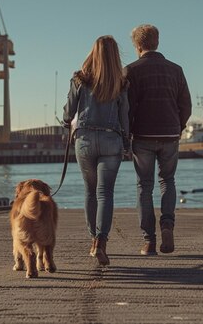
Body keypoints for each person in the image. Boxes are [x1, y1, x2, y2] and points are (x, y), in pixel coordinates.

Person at [62, 35, 129, 266]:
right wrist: (127, 143)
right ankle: (101, 241)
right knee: (105, 193)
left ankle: (93, 241)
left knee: (90, 192)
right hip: (112, 140)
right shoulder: (120, 82)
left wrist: (66, 123)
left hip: (86, 140)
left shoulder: (80, 79)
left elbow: (68, 112)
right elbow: (125, 116)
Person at [124, 24, 192, 255]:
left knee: (144, 186)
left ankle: (149, 241)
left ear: (137, 46)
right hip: (170, 135)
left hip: (142, 136)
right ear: (157, 42)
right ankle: (167, 224)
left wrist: (128, 133)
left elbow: (127, 108)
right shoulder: (176, 70)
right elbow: (186, 105)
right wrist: (179, 126)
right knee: (167, 181)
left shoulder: (131, 70)